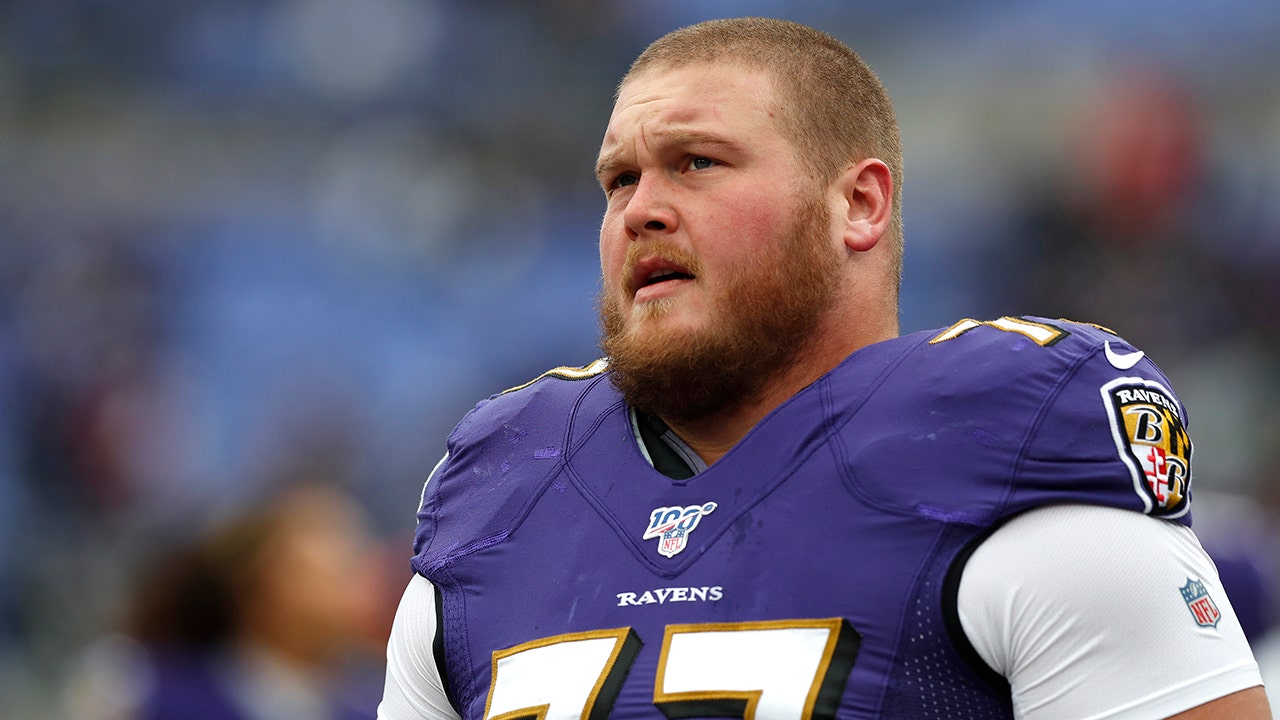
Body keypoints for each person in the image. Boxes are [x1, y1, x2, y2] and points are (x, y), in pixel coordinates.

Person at [378, 17, 1271, 719]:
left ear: (858, 202)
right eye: (619, 180)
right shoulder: (500, 504)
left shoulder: (1007, 466)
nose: (642, 209)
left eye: (696, 162)